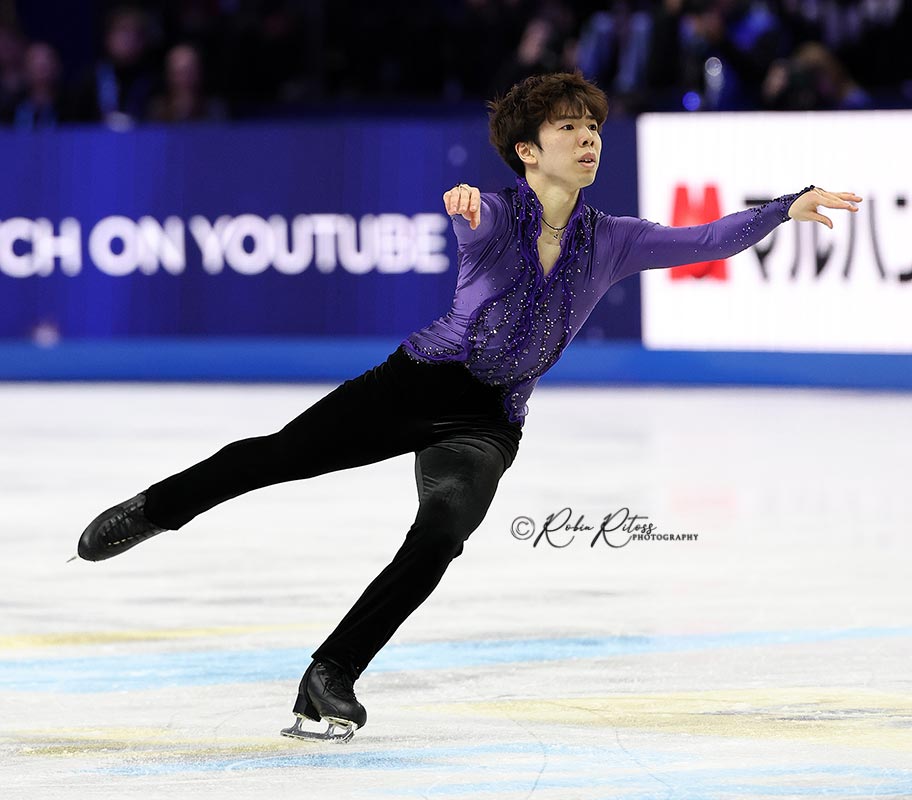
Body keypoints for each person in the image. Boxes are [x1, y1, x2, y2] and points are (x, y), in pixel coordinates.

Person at [74, 70, 860, 742]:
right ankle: (153, 510)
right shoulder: (495, 216)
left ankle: (331, 673)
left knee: (441, 534)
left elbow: (707, 239)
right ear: (528, 150)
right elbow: (474, 215)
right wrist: (467, 208)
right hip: (416, 385)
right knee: (278, 457)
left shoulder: (614, 239)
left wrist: (784, 206)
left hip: (489, 420)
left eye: (592, 127)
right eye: (567, 128)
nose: (587, 139)